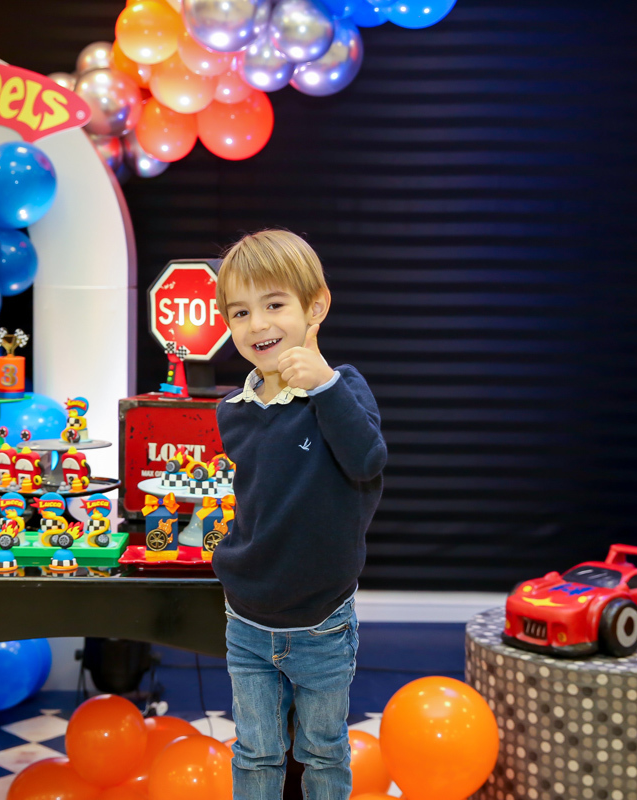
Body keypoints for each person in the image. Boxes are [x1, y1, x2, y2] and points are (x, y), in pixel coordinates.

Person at [213, 229, 387, 799]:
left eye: (274, 305)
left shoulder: (344, 388)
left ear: (316, 307)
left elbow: (367, 461)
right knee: (255, 752)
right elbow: (257, 499)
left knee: (323, 751)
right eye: (240, 312)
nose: (257, 324)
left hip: (322, 621)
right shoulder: (232, 411)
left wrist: (326, 387)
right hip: (246, 618)